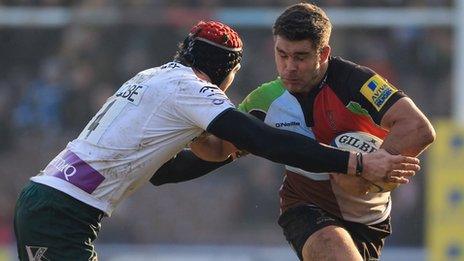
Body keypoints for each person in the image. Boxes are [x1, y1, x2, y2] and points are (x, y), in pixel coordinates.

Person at [13, 20, 420, 261]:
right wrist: (357, 163)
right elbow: (267, 141)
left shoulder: (153, 76)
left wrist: (218, 151)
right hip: (63, 213)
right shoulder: (195, 91)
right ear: (229, 71)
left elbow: (161, 173)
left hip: (49, 198)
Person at [150, 4, 435, 261]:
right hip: (305, 208)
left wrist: (371, 174)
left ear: (323, 53)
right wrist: (197, 133)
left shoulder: (356, 82)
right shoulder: (264, 100)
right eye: (282, 54)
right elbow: (217, 151)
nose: (289, 67)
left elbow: (417, 128)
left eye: (300, 57)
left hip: (370, 219)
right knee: (330, 243)